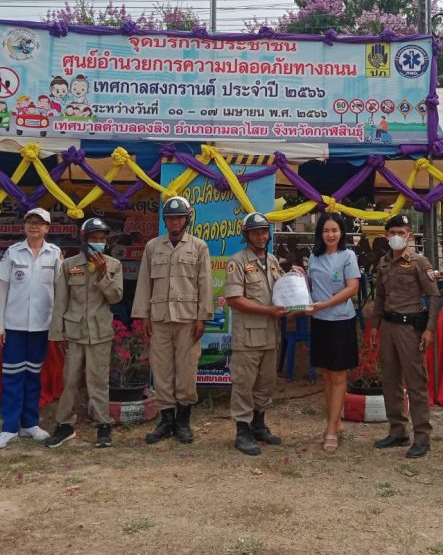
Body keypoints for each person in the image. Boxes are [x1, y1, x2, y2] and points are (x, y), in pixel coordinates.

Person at [132, 195, 212, 445]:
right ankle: (166, 420)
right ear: (165, 220)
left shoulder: (199, 247)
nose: (174, 222)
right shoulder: (153, 247)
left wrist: (202, 317)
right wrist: (143, 315)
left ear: (186, 220)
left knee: (187, 369)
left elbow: (205, 284)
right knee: (162, 370)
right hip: (159, 318)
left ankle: (183, 421)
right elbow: (144, 282)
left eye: (179, 218)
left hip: (188, 319)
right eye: (170, 218)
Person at [45, 217, 123, 449]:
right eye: (93, 238)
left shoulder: (113, 265)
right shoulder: (70, 265)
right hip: (74, 332)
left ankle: (103, 424)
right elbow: (61, 301)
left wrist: (103, 274)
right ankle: (65, 425)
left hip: (100, 332)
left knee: (98, 381)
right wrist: (57, 334)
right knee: (69, 380)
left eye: (102, 239)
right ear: (84, 239)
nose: (98, 242)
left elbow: (115, 297)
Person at [0, 207, 62, 449]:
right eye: (30, 221)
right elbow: (2, 290)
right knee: (12, 377)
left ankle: (30, 424)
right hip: (14, 325)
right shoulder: (13, 252)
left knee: (33, 376)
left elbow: (60, 291)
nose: (34, 226)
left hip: (41, 325)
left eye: (39, 223)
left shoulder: (55, 254)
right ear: (24, 226)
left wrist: (57, 325)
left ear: (47, 228)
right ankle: (9, 428)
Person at [370, 214, 440, 459]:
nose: (396, 236)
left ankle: (422, 437)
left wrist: (430, 329)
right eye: (392, 233)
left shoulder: (419, 262)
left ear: (409, 235)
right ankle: (397, 430)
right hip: (388, 327)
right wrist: (375, 326)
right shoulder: (384, 263)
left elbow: (433, 296)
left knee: (415, 382)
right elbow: (379, 296)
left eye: (401, 232)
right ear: (386, 235)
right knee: (390, 381)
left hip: (410, 328)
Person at [224, 213, 290, 455]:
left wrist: (296, 284)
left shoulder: (272, 261)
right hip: (248, 337)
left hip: (271, 335)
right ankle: (242, 431)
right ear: (246, 235)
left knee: (266, 383)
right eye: (255, 232)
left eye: (264, 231)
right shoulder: (238, 261)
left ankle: (259, 425)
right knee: (244, 384)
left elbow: (282, 291)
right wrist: (268, 311)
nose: (261, 236)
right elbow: (234, 299)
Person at [308, 212, 361, 454]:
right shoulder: (314, 256)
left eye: (335, 230)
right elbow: (309, 286)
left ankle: (331, 428)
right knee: (326, 373)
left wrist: (326, 304)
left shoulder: (348, 256)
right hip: (319, 321)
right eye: (326, 230)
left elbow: (352, 288)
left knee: (339, 375)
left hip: (340, 320)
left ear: (341, 233)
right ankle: (335, 420)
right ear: (320, 233)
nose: (330, 235)